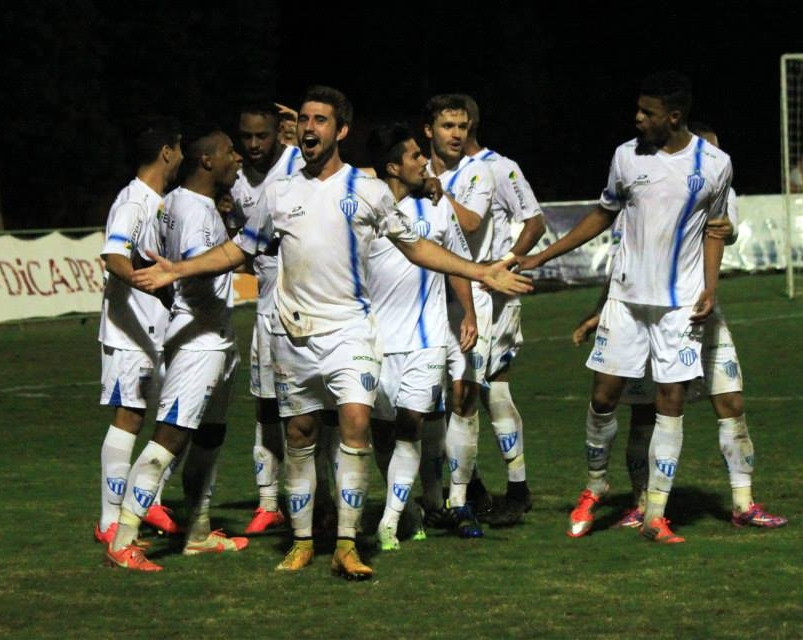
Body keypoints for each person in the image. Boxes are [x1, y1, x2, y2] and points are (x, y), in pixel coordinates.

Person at [131, 86, 531, 580]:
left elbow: (417, 247)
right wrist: (178, 270)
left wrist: (480, 272)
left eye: (320, 120)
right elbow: (240, 250)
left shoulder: (367, 191)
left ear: (340, 130)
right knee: (299, 436)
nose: (308, 128)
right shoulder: (279, 193)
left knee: (356, 423)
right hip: (294, 336)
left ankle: (347, 542)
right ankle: (302, 541)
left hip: (351, 333)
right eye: (303, 119)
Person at [517, 71, 732, 544]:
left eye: (647, 113)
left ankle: (655, 513)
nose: (637, 119)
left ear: (673, 117)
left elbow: (717, 227)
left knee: (669, 405)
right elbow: (602, 213)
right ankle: (595, 488)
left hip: (678, 307)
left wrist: (709, 287)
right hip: (627, 301)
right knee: (603, 397)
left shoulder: (715, 163)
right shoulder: (625, 156)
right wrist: (541, 256)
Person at [570, 122, 787, 532]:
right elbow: (625, 264)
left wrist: (727, 231)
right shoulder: (641, 192)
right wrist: (602, 310)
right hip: (642, 309)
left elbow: (724, 228)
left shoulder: (718, 188)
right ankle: (640, 501)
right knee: (643, 413)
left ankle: (743, 502)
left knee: (731, 402)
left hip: (700, 314)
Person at [105, 125, 249, 571]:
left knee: (211, 435)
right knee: (169, 436)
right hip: (197, 340)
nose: (237, 158)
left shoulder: (188, 204)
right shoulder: (189, 209)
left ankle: (199, 531)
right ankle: (123, 539)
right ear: (208, 160)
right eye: (229, 152)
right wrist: (244, 247)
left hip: (218, 335)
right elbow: (195, 268)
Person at [365, 122, 478, 550]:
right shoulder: (365, 206)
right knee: (381, 432)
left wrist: (467, 311)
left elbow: (454, 261)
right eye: (414, 156)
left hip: (428, 337)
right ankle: (410, 508)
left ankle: (390, 523)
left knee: (410, 424)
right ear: (392, 166)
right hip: (376, 341)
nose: (425, 162)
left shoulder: (437, 205)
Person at [95, 116, 183, 548]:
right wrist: (148, 283)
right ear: (167, 152)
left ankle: (148, 502)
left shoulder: (159, 202)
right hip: (130, 331)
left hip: (156, 329)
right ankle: (109, 519)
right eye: (179, 149)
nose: (181, 158)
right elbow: (113, 254)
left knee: (167, 417)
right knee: (129, 416)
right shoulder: (133, 202)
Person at [459, 94, 545, 526]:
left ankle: (516, 486)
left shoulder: (500, 166)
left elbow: (535, 221)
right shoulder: (430, 171)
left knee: (493, 387)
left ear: (471, 122)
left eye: (460, 123)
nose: (454, 131)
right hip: (450, 294)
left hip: (494, 295)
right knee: (454, 392)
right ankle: (468, 486)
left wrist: (506, 262)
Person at [421, 93, 496, 537]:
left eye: (462, 127)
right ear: (429, 129)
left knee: (465, 398)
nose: (456, 134)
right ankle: (432, 500)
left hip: (468, 296)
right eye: (447, 126)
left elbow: (468, 224)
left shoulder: (478, 172)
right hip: (421, 302)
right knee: (426, 403)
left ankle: (460, 500)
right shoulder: (408, 164)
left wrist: (436, 188)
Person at [229, 102, 306, 534]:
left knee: (315, 408)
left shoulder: (300, 165)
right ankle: (267, 503)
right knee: (266, 406)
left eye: (263, 136)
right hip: (265, 310)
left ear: (280, 133)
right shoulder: (235, 178)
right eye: (247, 137)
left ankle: (318, 499)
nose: (255, 144)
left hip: (310, 307)